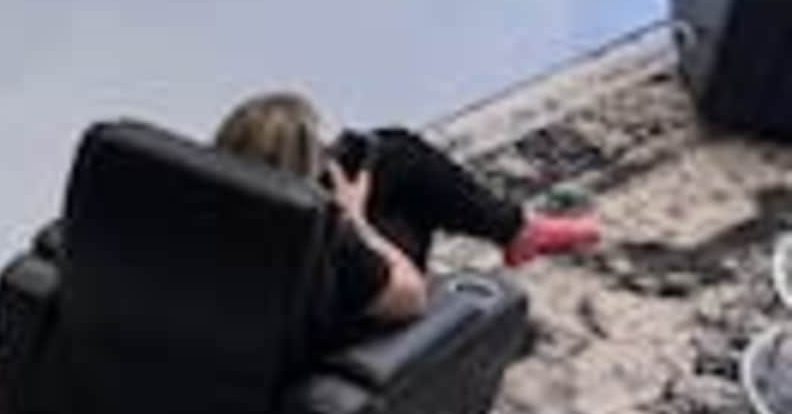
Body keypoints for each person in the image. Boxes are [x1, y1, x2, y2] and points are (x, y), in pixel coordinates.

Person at [210, 91, 597, 333]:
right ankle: (516, 231)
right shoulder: (332, 245)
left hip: (262, 310)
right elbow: (412, 297)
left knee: (397, 154)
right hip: (346, 326)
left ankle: (515, 229)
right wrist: (353, 219)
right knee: (412, 202)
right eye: (321, 152)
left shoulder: (200, 211)